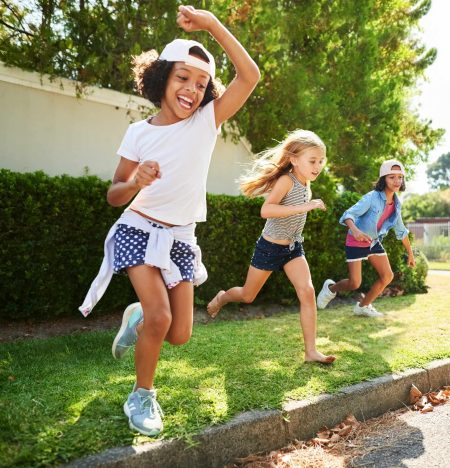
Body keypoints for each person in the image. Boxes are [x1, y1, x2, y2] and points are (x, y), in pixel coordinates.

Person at [78, 5, 260, 436]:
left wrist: (212, 24)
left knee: (178, 334)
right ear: (161, 78)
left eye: (201, 84)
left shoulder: (206, 122)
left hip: (180, 237)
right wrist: (137, 181)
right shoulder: (139, 134)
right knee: (162, 319)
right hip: (137, 229)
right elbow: (113, 194)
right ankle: (141, 395)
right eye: (182, 78)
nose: (192, 90)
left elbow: (249, 76)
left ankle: (136, 317)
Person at [206, 129, 336, 365]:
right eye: (312, 160)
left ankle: (311, 351)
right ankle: (222, 298)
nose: (318, 166)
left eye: (321, 161)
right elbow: (267, 210)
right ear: (294, 160)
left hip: (293, 249)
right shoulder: (287, 180)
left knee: (307, 292)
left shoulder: (306, 182)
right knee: (247, 295)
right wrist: (305, 207)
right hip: (269, 248)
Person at [316, 160, 416, 317]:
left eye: (400, 177)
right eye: (392, 177)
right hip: (356, 241)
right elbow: (348, 214)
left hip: (373, 242)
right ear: (384, 179)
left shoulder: (396, 205)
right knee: (354, 283)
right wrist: (355, 231)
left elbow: (401, 231)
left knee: (387, 276)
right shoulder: (372, 197)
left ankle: (363, 306)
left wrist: (410, 253)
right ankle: (330, 289)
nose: (397, 181)